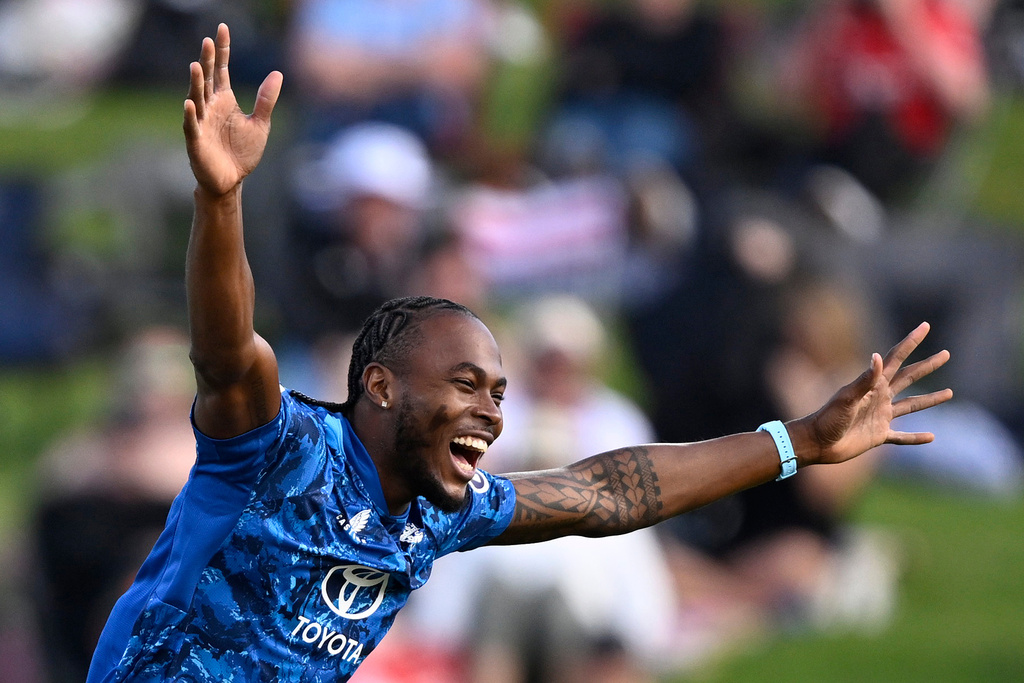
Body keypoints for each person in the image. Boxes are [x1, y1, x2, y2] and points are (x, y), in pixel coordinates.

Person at [86, 24, 952, 682]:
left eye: (498, 391)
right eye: (466, 383)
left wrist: (797, 440)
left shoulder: (441, 512)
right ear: (380, 385)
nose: (493, 411)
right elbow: (227, 348)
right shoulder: (277, 447)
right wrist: (221, 196)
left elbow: (611, 492)